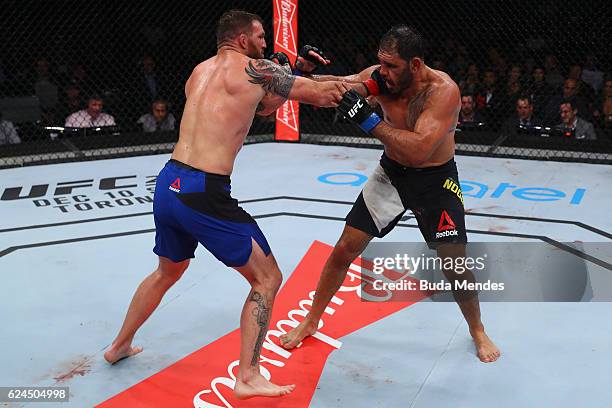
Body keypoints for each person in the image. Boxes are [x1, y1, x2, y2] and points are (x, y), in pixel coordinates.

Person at [103, 9, 352, 400]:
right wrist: (363, 83)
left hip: (169, 183)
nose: (266, 43)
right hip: (204, 191)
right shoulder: (255, 70)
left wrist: (294, 70)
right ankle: (248, 375)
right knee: (267, 279)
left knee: (167, 272)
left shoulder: (199, 73)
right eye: (260, 36)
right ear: (241, 39)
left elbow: (261, 104)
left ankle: (118, 346)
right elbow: (320, 95)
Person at [279, 25, 500, 363]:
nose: (383, 72)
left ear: (414, 64)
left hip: (435, 182)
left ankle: (477, 329)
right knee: (344, 249)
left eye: (391, 65)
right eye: (380, 63)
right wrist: (293, 73)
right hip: (392, 174)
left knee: (455, 264)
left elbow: (419, 151)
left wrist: (367, 120)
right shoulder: (382, 78)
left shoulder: (443, 92)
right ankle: (311, 320)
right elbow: (342, 84)